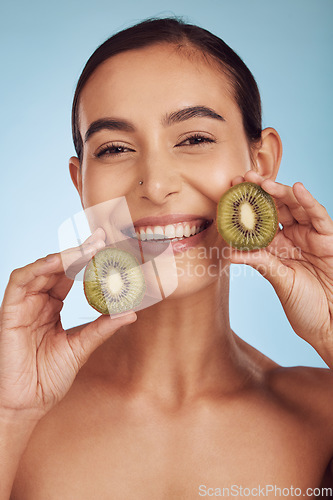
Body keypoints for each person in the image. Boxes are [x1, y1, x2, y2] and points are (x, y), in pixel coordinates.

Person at [1, 17, 333, 499]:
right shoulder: (15, 410)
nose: (156, 185)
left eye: (195, 139)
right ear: (81, 184)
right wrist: (9, 416)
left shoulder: (323, 417)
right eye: (115, 148)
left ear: (259, 164)